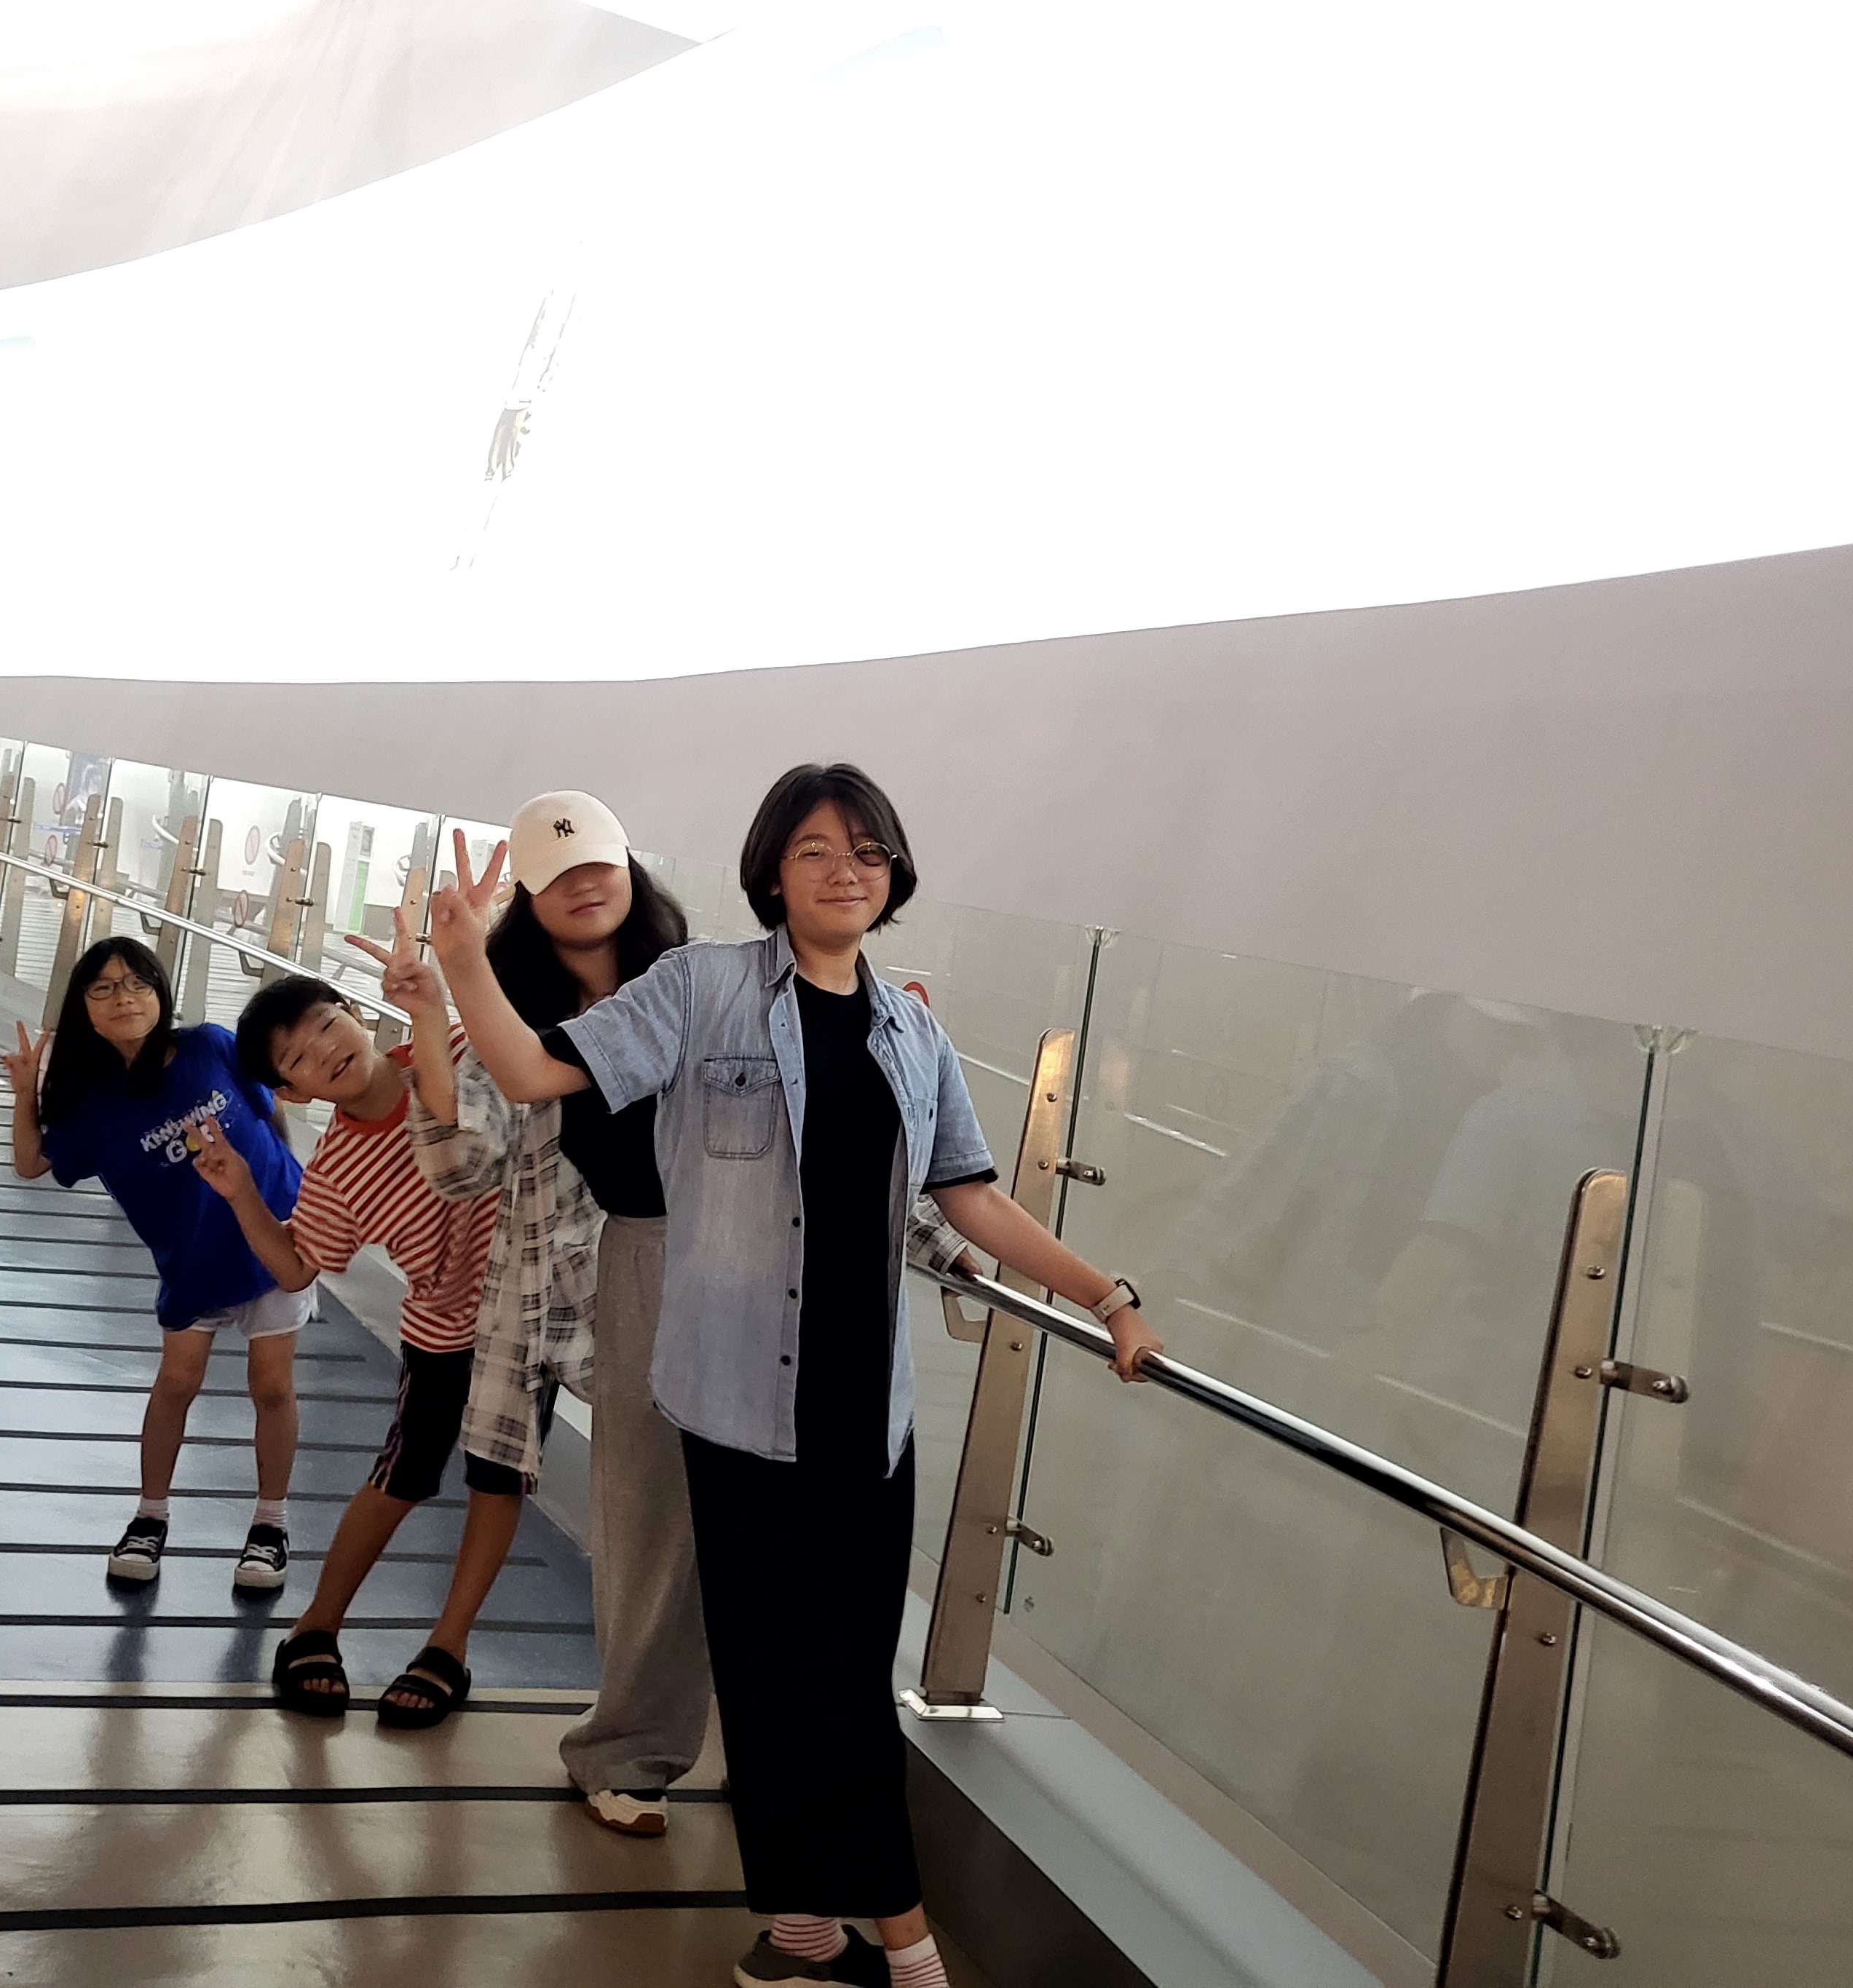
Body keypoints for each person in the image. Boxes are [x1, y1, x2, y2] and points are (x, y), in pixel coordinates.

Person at [433, 763, 1166, 1988]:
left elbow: (973, 1198)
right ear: (772, 870)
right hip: (734, 1402)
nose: (845, 871)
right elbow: (532, 1076)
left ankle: (807, 1935)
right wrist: (464, 965)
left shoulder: (911, 1032)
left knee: (835, 1674)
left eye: (868, 852)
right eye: (817, 849)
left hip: (867, 1412)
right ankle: (902, 1946)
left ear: (894, 876)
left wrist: (1107, 1296)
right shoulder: (701, 986)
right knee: (787, 1677)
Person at [397, 791, 703, 1839]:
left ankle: (752, 1741)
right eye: (556, 873)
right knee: (643, 1531)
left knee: (741, 1530)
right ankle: (623, 1750)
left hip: (717, 1285)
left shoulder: (695, 990)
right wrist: (437, 1008)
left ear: (631, 869)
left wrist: (943, 1243)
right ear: (525, 897)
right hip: (573, 1294)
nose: (583, 884)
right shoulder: (507, 1015)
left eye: (598, 862)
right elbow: (460, 1167)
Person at [196, 957, 523, 1730]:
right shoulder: (338, 1170)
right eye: (298, 1057)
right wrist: (240, 1192)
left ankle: (448, 1645)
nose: (325, 1050)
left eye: (325, 1025)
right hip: (443, 1335)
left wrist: (451, 976)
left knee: (500, 1478)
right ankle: (316, 1627)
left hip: (526, 1320)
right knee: (400, 1476)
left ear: (353, 1010)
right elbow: (296, 1264)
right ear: (293, 1092)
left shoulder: (457, 1046)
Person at [4, 937, 309, 1592]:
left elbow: (272, 1111)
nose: (125, 998)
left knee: (271, 1386)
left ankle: (271, 1524)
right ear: (85, 1009)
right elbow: (31, 1163)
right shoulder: (91, 1104)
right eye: (105, 988)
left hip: (272, 1242)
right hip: (190, 1258)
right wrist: (26, 1092)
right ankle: (150, 1515)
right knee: (176, 1382)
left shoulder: (211, 1045)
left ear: (160, 991)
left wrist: (291, 1200)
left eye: (138, 983)